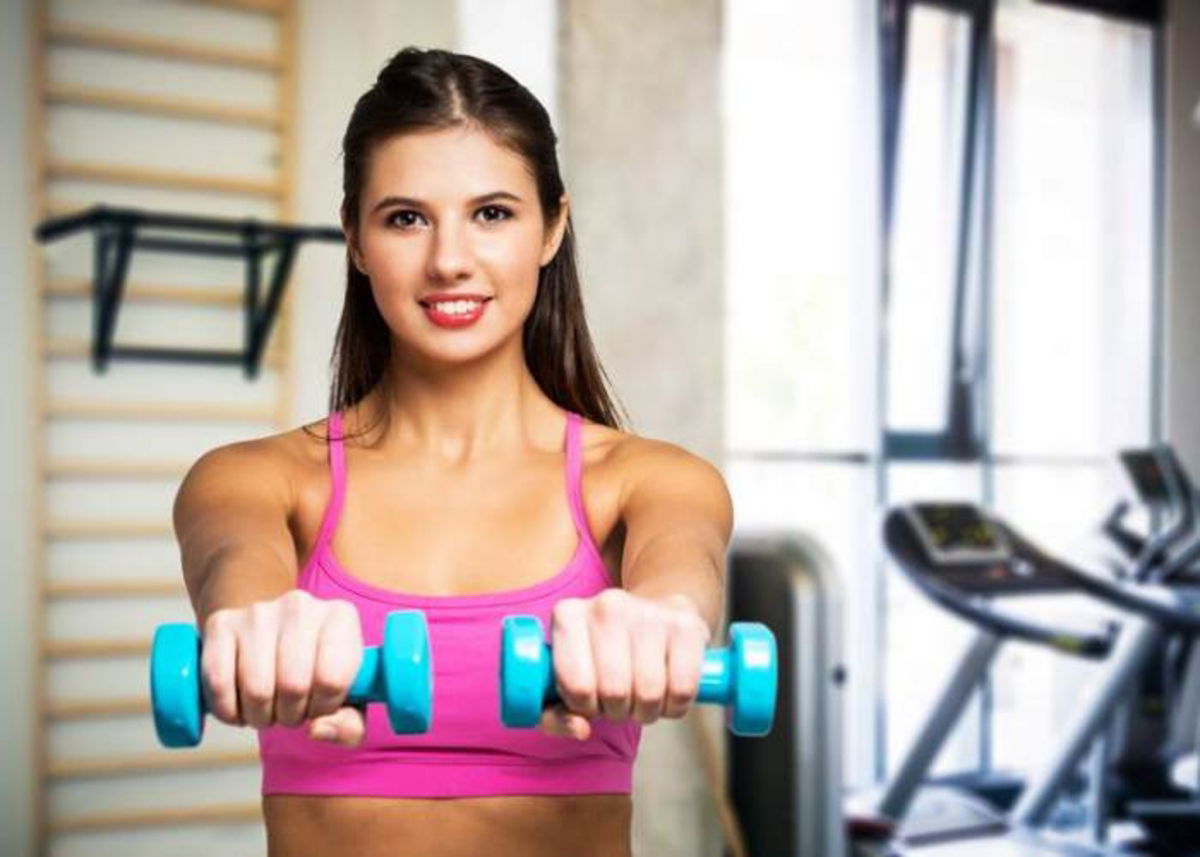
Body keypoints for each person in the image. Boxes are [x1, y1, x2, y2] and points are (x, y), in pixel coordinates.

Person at [172, 46, 732, 857]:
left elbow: (684, 572)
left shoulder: (653, 482)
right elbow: (238, 570)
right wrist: (257, 627)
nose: (448, 260)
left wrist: (665, 622)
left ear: (553, 228)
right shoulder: (253, 481)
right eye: (405, 217)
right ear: (357, 242)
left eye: (493, 213)